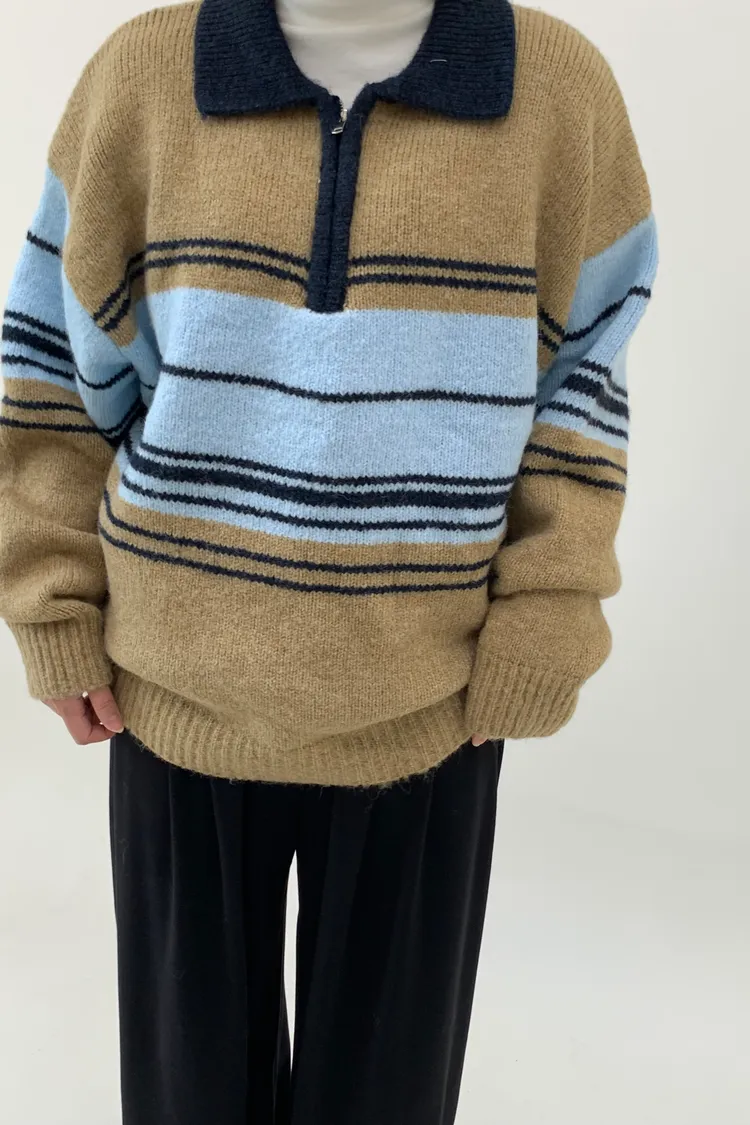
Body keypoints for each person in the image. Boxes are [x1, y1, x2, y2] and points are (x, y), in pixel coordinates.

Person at [0, 0, 658, 1121]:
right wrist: (50, 605)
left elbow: (583, 391)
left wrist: (546, 621)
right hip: (174, 696)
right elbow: (54, 369)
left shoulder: (558, 91)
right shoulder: (147, 74)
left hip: (433, 708)